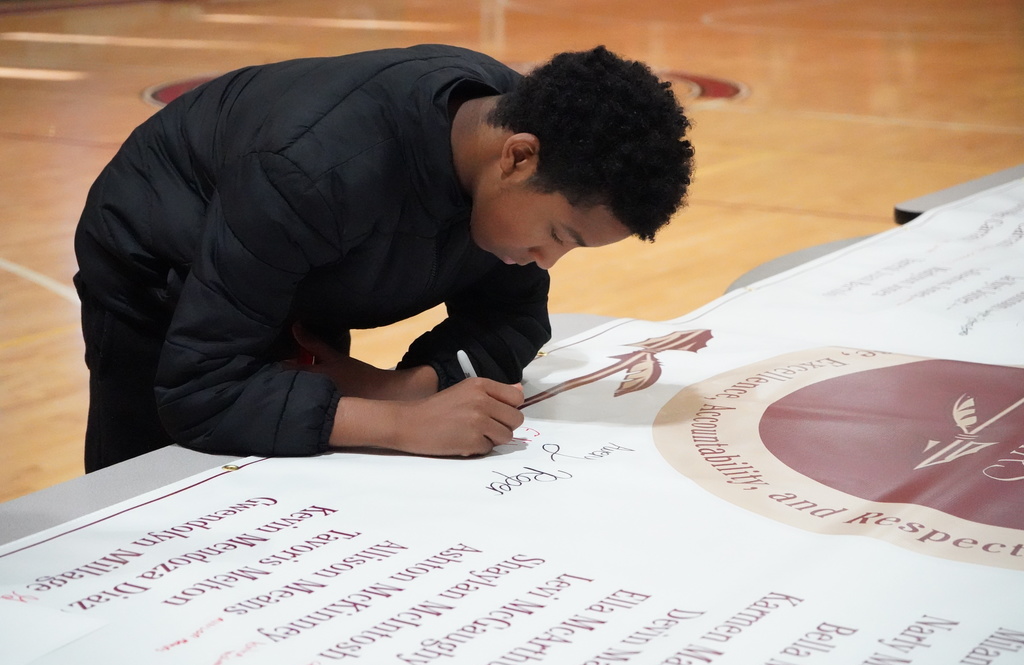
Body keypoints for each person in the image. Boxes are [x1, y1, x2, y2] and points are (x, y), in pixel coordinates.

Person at [73, 43, 694, 472]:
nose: (546, 262)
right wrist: (400, 423)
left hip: (291, 265)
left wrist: (403, 387)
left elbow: (515, 321)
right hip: (156, 264)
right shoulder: (315, 170)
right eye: (559, 235)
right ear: (517, 158)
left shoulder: (514, 152)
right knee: (146, 490)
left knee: (287, 461)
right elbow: (197, 394)